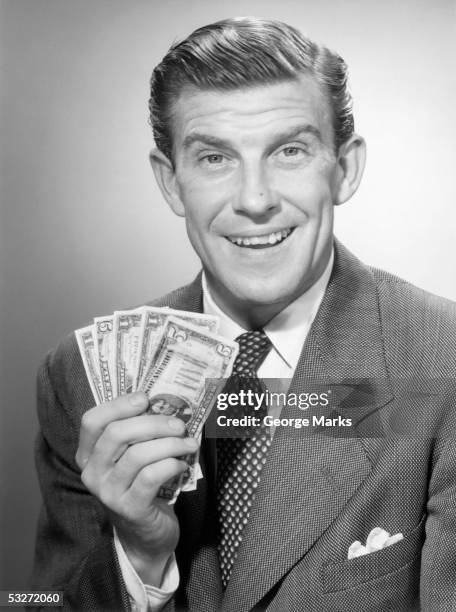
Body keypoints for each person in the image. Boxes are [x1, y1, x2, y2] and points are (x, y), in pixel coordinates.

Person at [31, 17, 456, 612]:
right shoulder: (75, 378)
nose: (255, 200)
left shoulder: (443, 362)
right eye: (214, 158)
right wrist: (138, 553)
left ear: (345, 169)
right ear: (170, 182)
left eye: (289, 151)